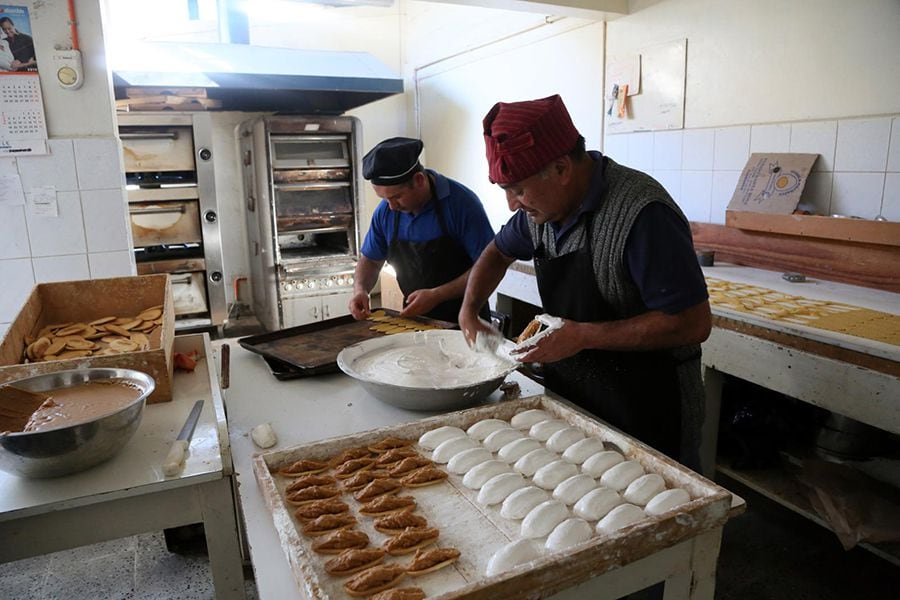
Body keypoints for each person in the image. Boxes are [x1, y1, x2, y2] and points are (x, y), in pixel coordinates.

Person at [459, 95, 711, 469]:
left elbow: (693, 323)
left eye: (518, 190)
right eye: (506, 191)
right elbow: (497, 253)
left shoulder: (642, 215)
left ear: (561, 167)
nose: (513, 204)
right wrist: (469, 310)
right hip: (575, 397)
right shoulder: (539, 212)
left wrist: (583, 336)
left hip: (649, 407)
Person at [349, 137, 495, 324]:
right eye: (385, 199)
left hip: (467, 320)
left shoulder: (462, 205)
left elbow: (488, 267)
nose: (392, 206)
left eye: (397, 197)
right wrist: (361, 290)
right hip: (416, 320)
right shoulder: (385, 212)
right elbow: (370, 260)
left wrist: (437, 295)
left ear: (419, 180)